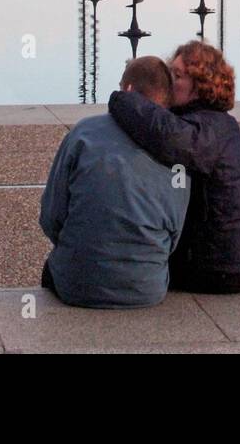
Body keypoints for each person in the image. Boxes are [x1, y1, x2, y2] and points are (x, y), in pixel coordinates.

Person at [108, 41, 240, 294]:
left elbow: (168, 137)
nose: (170, 82)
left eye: (178, 75)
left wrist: (126, 100)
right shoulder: (219, 125)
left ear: (200, 85)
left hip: (220, 270)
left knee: (129, 271)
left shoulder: (205, 129)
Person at [39, 57, 189, 309]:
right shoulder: (176, 142)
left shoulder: (84, 133)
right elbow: (174, 232)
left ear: (127, 90)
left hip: (76, 285)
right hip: (147, 288)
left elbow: (51, 217)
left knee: (52, 269)